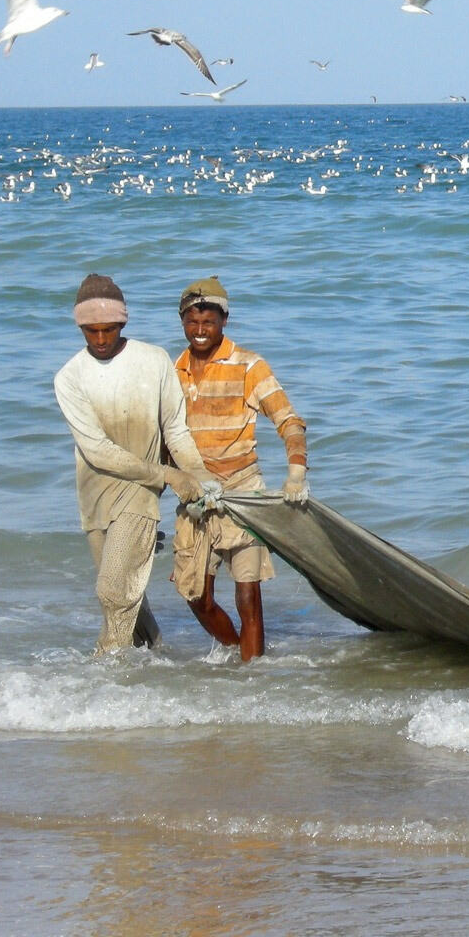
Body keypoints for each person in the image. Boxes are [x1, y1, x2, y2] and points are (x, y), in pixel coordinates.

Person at [54, 273, 217, 654]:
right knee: (127, 595)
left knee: (113, 591)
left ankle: (104, 669)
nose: (100, 339)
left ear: (122, 323)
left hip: (140, 494)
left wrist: (198, 475)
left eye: (108, 329)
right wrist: (169, 474)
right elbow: (97, 451)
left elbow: (175, 430)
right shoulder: (69, 378)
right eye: (91, 331)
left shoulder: (153, 360)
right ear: (80, 328)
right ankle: (157, 658)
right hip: (94, 496)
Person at [170, 276, 310, 662]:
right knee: (197, 597)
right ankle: (236, 655)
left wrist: (296, 471)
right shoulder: (171, 371)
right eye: (192, 322)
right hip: (196, 497)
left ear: (224, 321)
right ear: (182, 321)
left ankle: (253, 675)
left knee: (248, 596)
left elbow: (289, 421)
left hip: (244, 492)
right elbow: (163, 439)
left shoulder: (249, 366)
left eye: (209, 322)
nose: (200, 330)